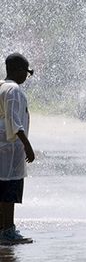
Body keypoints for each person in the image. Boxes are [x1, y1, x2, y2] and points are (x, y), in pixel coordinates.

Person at [0, 53, 35, 245]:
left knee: (3, 189)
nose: (26, 77)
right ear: (18, 70)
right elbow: (15, 121)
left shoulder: (1, 86)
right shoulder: (13, 90)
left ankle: (3, 228)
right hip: (11, 149)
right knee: (10, 191)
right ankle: (8, 231)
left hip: (3, 147)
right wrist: (27, 146)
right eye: (27, 72)